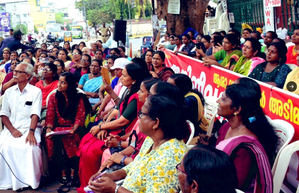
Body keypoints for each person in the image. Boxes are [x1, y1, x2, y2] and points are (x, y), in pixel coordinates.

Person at [87, 94, 189, 193]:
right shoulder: (151, 140)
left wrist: (115, 189)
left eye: (141, 114)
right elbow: (136, 166)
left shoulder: (168, 158)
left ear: (155, 123)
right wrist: (111, 176)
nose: (138, 118)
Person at [77, 62, 150, 193]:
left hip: (124, 131)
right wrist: (103, 125)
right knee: (86, 142)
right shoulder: (129, 90)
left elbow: (122, 121)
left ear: (134, 80)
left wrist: (102, 126)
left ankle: (93, 185)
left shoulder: (137, 96)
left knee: (90, 151)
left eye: (125, 75)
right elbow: (119, 108)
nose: (121, 77)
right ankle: (87, 183)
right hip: (118, 129)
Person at [211, 83, 277, 192]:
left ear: (237, 110)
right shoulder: (227, 127)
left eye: (223, 99)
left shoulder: (244, 145)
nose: (218, 101)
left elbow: (238, 184)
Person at [99, 77, 160, 171]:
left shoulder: (151, 124)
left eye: (142, 91)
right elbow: (135, 136)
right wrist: (120, 141)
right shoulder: (144, 110)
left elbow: (143, 161)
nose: (138, 93)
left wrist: (120, 147)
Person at [0, 62, 42, 191]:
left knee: (29, 148)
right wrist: (12, 130)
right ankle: (9, 182)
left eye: (19, 72)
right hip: (11, 129)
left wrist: (31, 132)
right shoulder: (9, 92)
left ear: (28, 76)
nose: (15, 74)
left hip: (30, 128)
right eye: (14, 71)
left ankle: (29, 181)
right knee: (5, 147)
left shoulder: (36, 91)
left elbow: (35, 114)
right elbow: (4, 114)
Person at [45, 72, 91, 187]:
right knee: (51, 139)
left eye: (63, 83)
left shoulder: (79, 97)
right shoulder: (53, 97)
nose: (59, 85)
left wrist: (74, 129)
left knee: (72, 138)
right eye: (59, 82)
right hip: (58, 127)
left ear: (70, 84)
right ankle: (62, 171)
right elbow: (50, 116)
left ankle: (74, 171)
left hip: (75, 127)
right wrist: (49, 129)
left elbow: (80, 116)